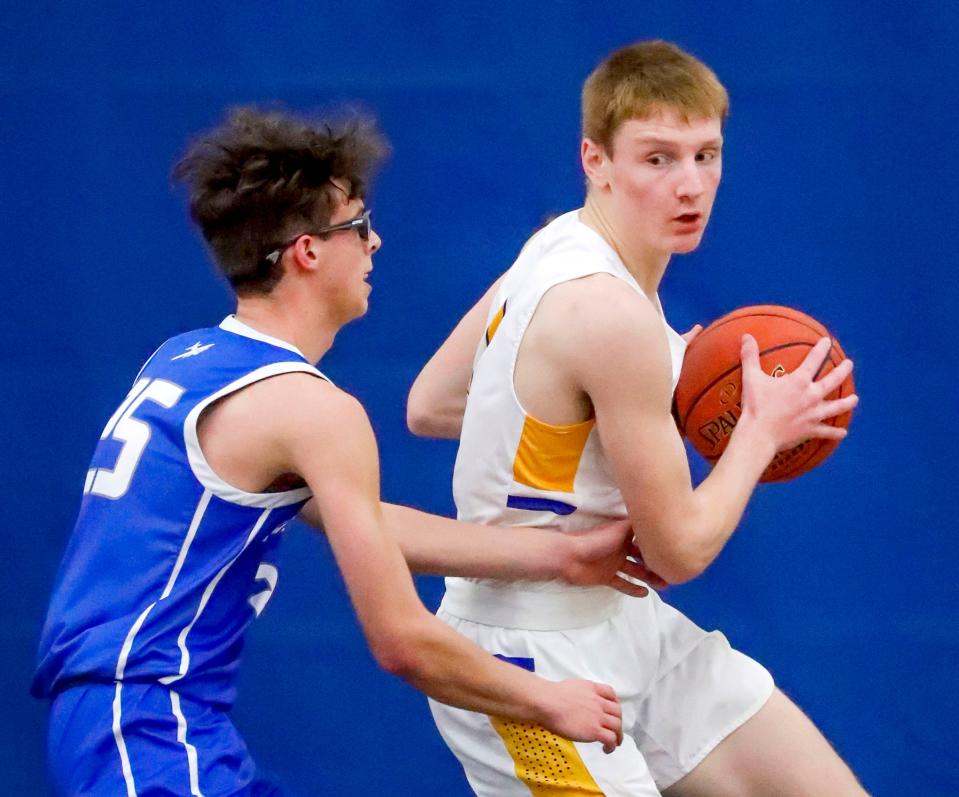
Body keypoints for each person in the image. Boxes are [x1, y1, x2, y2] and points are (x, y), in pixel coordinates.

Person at [31, 106, 656, 796]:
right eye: (358, 224)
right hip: (146, 724)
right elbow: (399, 637)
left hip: (128, 716)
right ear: (307, 250)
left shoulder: (186, 359)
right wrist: (546, 697)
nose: (376, 242)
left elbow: (366, 523)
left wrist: (560, 555)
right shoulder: (313, 409)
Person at [407, 41, 867, 796]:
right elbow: (680, 549)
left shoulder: (555, 244)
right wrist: (757, 429)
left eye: (706, 154)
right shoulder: (609, 313)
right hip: (525, 649)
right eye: (658, 159)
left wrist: (609, 404)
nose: (690, 185)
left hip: (621, 620)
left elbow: (430, 404)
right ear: (596, 160)